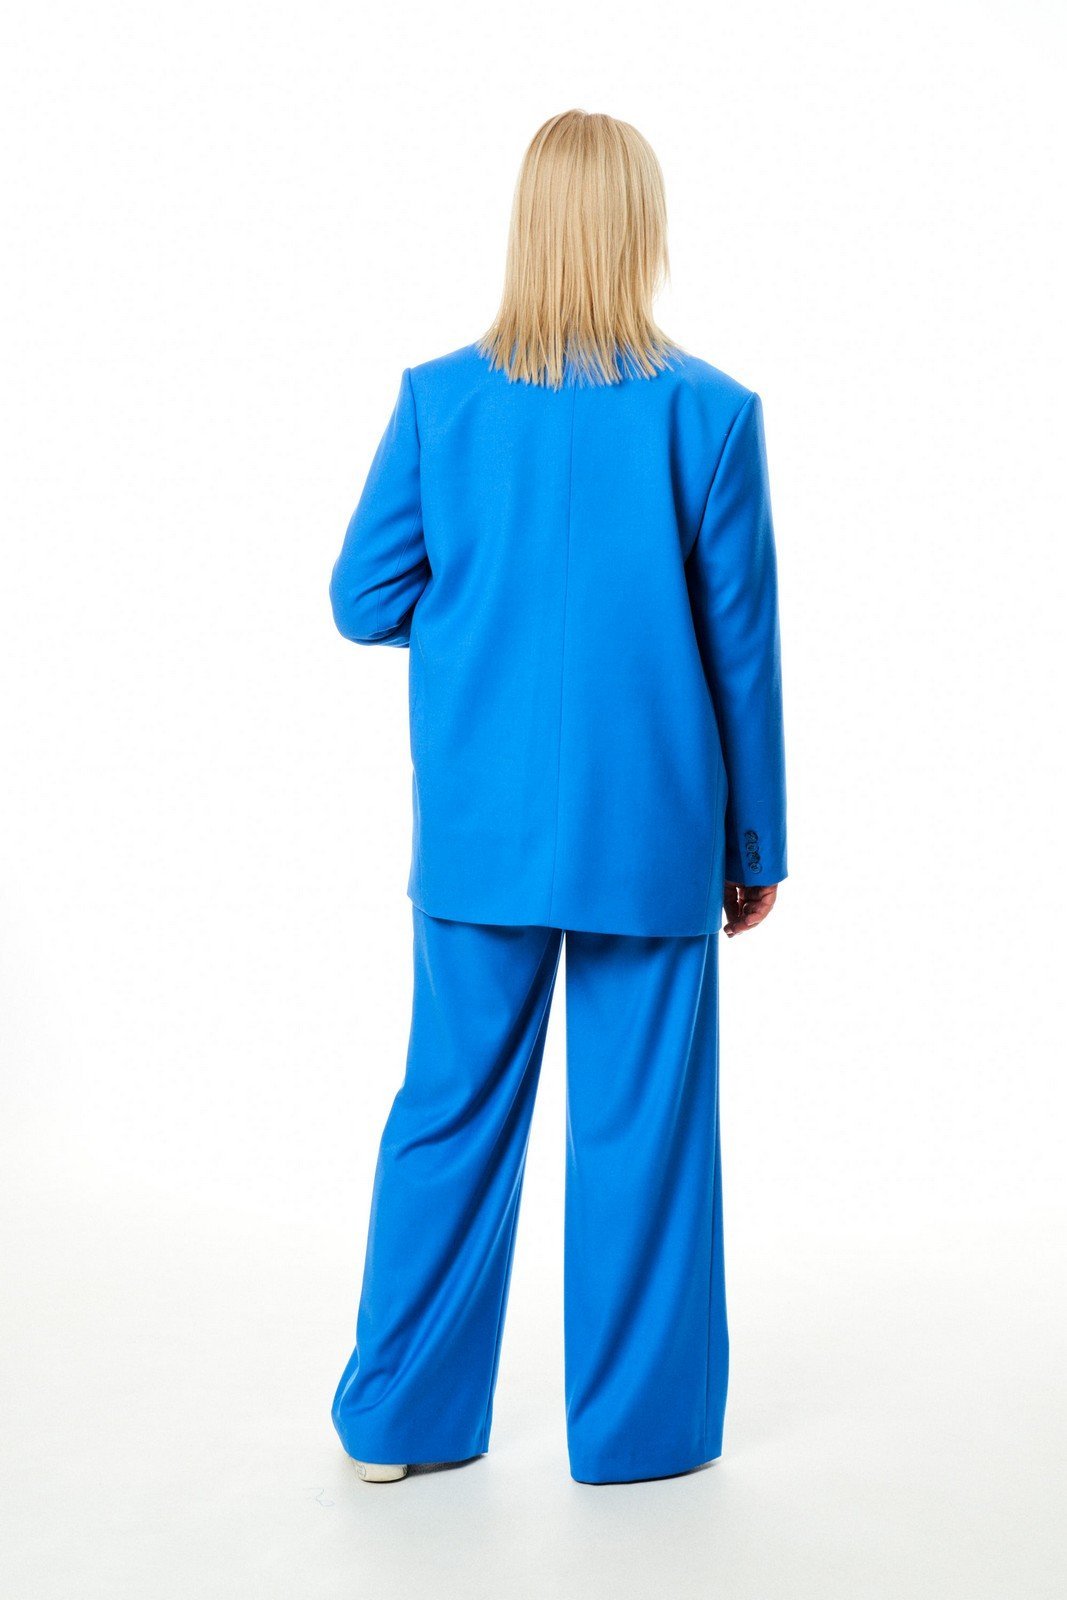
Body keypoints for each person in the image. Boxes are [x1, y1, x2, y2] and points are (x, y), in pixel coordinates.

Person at [328, 109, 787, 1486]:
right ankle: (639, 1440)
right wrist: (756, 841)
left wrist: (488, 631)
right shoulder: (711, 413)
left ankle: (398, 1425)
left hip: (482, 828)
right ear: (644, 228)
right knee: (644, 1131)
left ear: (526, 226)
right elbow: (743, 649)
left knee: (450, 1111)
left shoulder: (442, 400)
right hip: (654, 826)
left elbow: (363, 597)